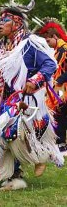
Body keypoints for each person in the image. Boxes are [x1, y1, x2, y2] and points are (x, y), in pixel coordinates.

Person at [0, 0, 64, 190]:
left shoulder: (29, 44)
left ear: (17, 22)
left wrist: (34, 81)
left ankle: (39, 157)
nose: (0, 24)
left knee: (9, 134)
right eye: (0, 21)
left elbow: (49, 65)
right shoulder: (2, 46)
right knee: (9, 136)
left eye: (5, 20)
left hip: (28, 99)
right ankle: (14, 176)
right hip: (7, 98)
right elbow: (5, 72)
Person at [36, 18, 67, 155]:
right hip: (61, 89)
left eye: (48, 40)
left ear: (55, 36)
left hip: (64, 89)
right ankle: (60, 143)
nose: (47, 44)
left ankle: (61, 144)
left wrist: (59, 80)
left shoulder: (64, 49)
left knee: (60, 114)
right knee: (59, 115)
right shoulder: (59, 49)